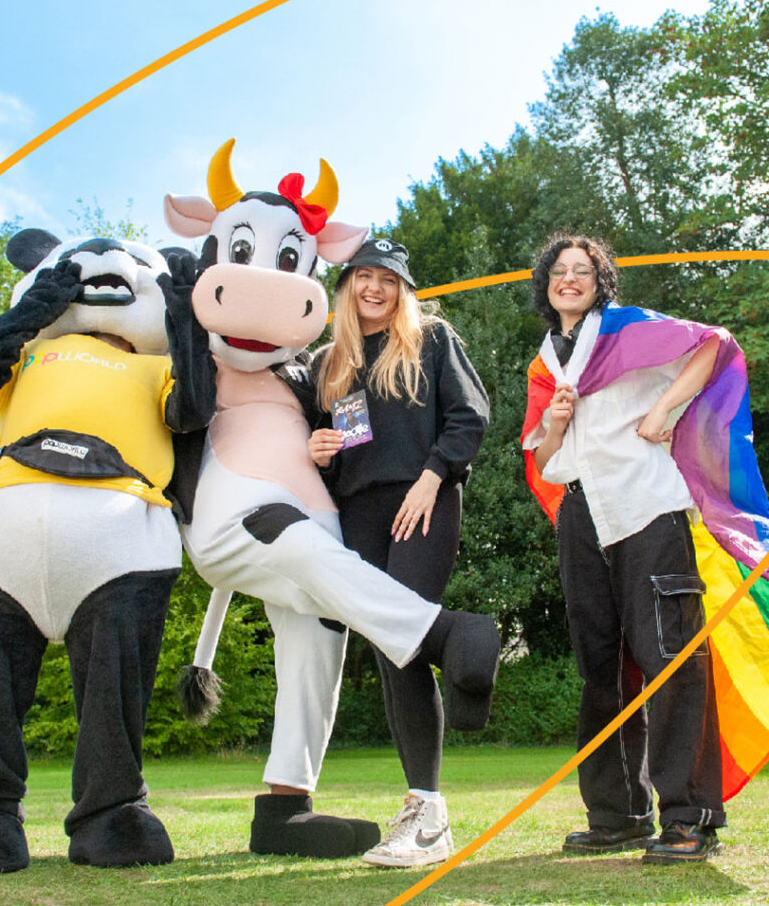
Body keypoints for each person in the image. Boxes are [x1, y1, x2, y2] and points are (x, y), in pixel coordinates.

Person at [520, 233, 725, 864]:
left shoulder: (629, 332)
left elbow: (711, 344)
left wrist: (663, 408)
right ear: (546, 285)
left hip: (646, 506)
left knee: (670, 655)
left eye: (582, 271)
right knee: (600, 669)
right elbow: (543, 461)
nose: (570, 279)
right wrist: (554, 425)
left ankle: (689, 820)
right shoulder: (545, 363)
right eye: (559, 271)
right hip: (582, 514)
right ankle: (618, 814)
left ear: (600, 281)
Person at [309, 238, 490, 868]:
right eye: (363, 276)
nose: (374, 288)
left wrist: (433, 477)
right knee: (392, 651)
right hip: (357, 510)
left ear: (402, 289)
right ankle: (424, 810)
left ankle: (428, 812)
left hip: (423, 500)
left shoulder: (432, 340)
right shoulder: (327, 364)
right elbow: (315, 449)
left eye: (387, 279)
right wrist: (319, 452)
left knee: (404, 638)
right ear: (348, 285)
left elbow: (469, 416)